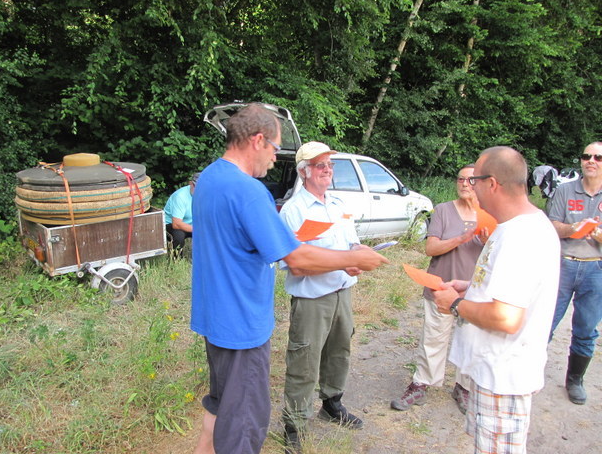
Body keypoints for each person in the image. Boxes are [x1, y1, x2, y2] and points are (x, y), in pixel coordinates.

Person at [190, 104, 388, 454]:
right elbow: (295, 258)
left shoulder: (209, 178)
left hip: (214, 317)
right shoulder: (249, 191)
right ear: (257, 140)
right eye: (274, 148)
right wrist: (353, 258)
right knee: (244, 423)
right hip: (241, 325)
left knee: (220, 404)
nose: (274, 158)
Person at [431, 146, 560, 454]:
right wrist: (470, 287)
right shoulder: (514, 226)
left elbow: (506, 317)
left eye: (474, 180)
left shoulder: (521, 237)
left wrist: (455, 304)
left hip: (503, 375)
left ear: (492, 184)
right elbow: (509, 289)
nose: (470, 186)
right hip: (491, 370)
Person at [279, 142, 369, 452]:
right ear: (304, 172)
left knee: (339, 351)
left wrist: (359, 254)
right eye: (320, 165)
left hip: (343, 292)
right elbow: (297, 265)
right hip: (312, 299)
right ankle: (294, 425)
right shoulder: (293, 210)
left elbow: (352, 243)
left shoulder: (338, 204)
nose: (328, 170)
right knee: (304, 360)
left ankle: (332, 404)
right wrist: (344, 261)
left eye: (330, 164)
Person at [391, 165, 485, 414]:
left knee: (471, 341)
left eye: (470, 180)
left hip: (474, 291)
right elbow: (430, 248)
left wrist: (486, 240)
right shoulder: (443, 210)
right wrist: (462, 238)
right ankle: (421, 384)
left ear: (481, 183)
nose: (464, 184)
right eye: (460, 179)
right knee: (433, 338)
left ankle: (463, 387)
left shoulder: (488, 214)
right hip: (440, 285)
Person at [547, 141, 602, 405]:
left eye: (598, 157)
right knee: (545, 321)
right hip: (563, 264)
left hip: (596, 268)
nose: (591, 161)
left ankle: (575, 380)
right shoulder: (565, 190)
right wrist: (573, 229)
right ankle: (528, 371)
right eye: (586, 156)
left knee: (586, 328)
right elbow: (551, 225)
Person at [163, 172, 199, 255]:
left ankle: (205, 258)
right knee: (179, 235)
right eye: (196, 187)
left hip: (191, 223)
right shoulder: (180, 197)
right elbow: (176, 224)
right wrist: (199, 229)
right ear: (191, 183)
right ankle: (177, 259)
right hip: (171, 224)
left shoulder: (206, 195)